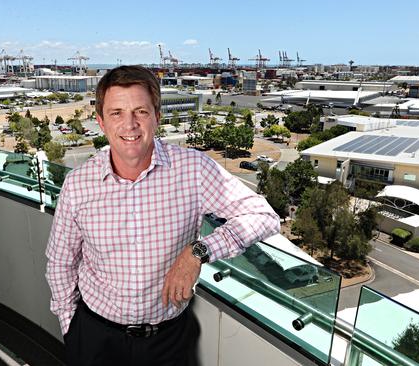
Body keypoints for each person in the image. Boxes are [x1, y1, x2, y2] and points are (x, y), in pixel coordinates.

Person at [45, 65, 279, 365]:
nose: (129, 125)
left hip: (168, 341)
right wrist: (71, 327)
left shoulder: (193, 170)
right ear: (101, 122)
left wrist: (198, 252)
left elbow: (263, 215)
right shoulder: (78, 185)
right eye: (116, 113)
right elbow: (61, 262)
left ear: (157, 116)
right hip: (95, 338)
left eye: (140, 111)